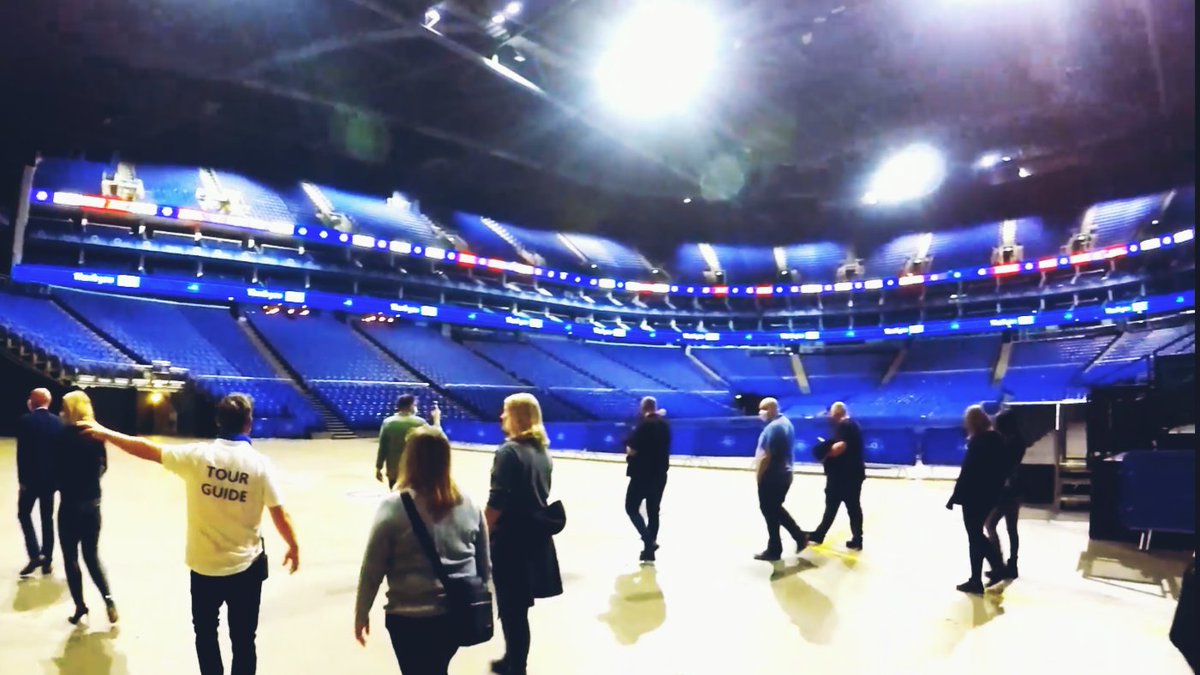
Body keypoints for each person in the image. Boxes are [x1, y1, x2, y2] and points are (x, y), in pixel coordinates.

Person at [80, 393, 300, 675]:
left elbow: (147, 449)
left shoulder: (198, 457)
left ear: (218, 421)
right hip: (246, 569)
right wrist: (293, 545)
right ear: (249, 423)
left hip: (204, 566)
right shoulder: (259, 465)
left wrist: (106, 433)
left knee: (206, 636)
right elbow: (279, 513)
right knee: (244, 639)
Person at [355, 426, 490, 675]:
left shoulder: (394, 507)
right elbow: (484, 564)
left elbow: (373, 566)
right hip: (455, 614)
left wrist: (361, 612)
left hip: (409, 617)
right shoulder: (470, 504)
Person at [486, 393, 562, 675]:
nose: (501, 417)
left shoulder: (508, 452)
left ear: (518, 416)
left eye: (506, 411)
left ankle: (516, 666)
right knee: (518, 608)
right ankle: (514, 659)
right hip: (534, 538)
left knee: (511, 607)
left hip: (510, 541)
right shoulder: (542, 452)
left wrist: (481, 534)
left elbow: (497, 503)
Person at [57, 390, 117, 625]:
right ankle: (109, 600)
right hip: (93, 505)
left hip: (69, 505)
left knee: (71, 557)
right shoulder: (96, 435)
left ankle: (80, 606)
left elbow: (57, 471)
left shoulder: (62, 436)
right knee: (91, 556)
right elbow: (103, 467)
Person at [946, 405, 1008, 594]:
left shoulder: (978, 441)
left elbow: (968, 472)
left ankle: (991, 570)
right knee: (977, 535)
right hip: (990, 495)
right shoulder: (997, 439)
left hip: (973, 495)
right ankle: (985, 573)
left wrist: (954, 497)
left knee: (975, 536)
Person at [753, 397, 808, 562]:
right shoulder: (786, 423)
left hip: (772, 476)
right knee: (774, 510)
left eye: (762, 409)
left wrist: (759, 476)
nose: (760, 413)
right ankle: (787, 541)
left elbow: (767, 457)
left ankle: (784, 543)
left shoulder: (775, 428)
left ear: (771, 409)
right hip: (782, 475)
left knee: (770, 510)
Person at [16, 387, 61, 577]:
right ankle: (47, 561)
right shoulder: (58, 423)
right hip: (50, 482)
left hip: (31, 481)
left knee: (24, 514)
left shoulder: (26, 421)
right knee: (47, 519)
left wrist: (22, 481)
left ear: (32, 402)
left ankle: (35, 554)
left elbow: (22, 455)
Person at [809, 401, 866, 550]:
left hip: (843, 475)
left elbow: (839, 448)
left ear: (836, 413)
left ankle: (819, 535)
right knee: (851, 507)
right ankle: (856, 538)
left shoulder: (845, 425)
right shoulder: (854, 425)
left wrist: (825, 450)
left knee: (835, 506)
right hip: (853, 473)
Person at [624, 396, 671, 563]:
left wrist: (629, 449)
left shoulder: (642, 426)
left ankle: (648, 541)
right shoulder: (665, 425)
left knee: (631, 507)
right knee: (653, 511)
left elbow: (633, 450)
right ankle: (649, 552)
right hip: (660, 474)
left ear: (643, 408)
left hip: (641, 474)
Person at [986, 408, 1027, 580]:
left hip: (1005, 492)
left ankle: (999, 563)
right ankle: (1012, 564)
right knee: (1012, 530)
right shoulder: (1019, 442)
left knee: (990, 525)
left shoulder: (1005, 443)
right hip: (1015, 490)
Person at [377, 395, 436, 489]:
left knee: (396, 496)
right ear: (411, 406)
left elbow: (383, 447)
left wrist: (378, 467)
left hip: (394, 469)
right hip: (415, 470)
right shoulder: (420, 423)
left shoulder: (388, 422)